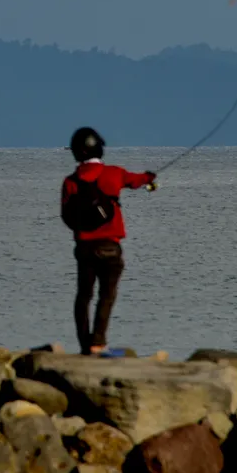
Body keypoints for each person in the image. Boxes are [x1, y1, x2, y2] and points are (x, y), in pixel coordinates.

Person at [60, 127, 156, 356]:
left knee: (83, 296)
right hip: (110, 247)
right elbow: (137, 180)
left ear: (77, 152)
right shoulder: (114, 173)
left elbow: (66, 216)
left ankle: (85, 344)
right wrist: (150, 178)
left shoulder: (70, 182)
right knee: (107, 295)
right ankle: (98, 342)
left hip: (84, 247)